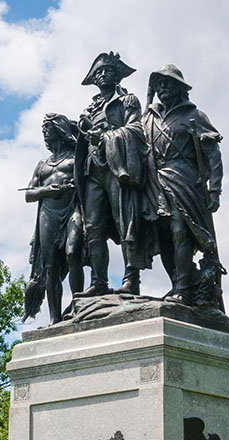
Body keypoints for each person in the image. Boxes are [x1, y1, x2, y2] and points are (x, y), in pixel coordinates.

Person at [141, 65, 224, 306]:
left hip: (184, 178)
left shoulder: (194, 116)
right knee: (163, 236)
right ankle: (177, 283)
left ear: (179, 88)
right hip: (155, 181)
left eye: (168, 83)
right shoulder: (149, 117)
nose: (162, 88)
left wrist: (215, 189)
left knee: (181, 231)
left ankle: (183, 288)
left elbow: (213, 155)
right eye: (158, 84)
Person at [75, 52, 150, 296]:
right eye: (98, 72)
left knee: (124, 222)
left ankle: (131, 279)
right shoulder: (90, 108)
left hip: (118, 167)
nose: (103, 74)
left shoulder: (127, 100)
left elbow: (136, 130)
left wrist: (107, 136)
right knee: (93, 227)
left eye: (108, 70)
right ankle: (98, 282)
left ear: (117, 75)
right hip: (92, 169)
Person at [24, 114, 84, 323]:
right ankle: (54, 318)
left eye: (47, 130)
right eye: (43, 131)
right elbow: (28, 194)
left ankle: (80, 306)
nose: (45, 135)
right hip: (48, 213)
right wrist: (47, 190)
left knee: (73, 252)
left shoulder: (75, 157)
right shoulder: (42, 165)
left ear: (59, 130)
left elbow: (86, 183)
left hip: (72, 209)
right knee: (51, 267)